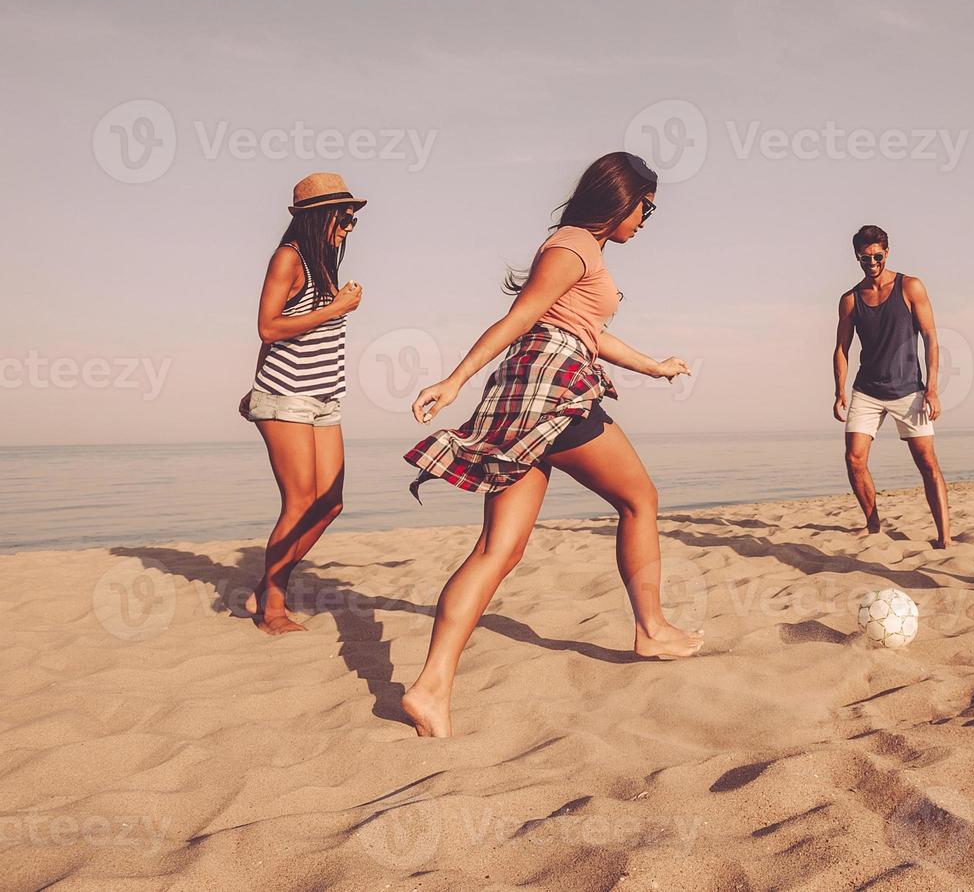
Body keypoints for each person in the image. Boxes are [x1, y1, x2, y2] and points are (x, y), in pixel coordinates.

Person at [399, 152, 703, 738]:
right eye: (646, 207)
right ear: (620, 200)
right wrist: (454, 379)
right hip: (554, 392)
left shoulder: (579, 249)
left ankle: (431, 688)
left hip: (528, 393)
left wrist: (654, 366)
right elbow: (521, 317)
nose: (647, 219)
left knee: (498, 550)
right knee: (640, 498)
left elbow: (590, 331)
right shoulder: (574, 248)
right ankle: (652, 628)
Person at [239, 172, 365, 634]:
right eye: (344, 215)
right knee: (299, 502)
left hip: (325, 396)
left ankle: (267, 585)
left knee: (330, 503)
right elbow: (268, 328)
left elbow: (290, 330)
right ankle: (272, 608)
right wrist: (336, 308)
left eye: (353, 217)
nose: (350, 224)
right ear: (317, 216)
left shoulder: (323, 264)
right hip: (287, 395)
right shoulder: (288, 259)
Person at [833, 225, 950, 549]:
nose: (872, 262)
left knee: (927, 462)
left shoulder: (910, 286)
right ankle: (873, 527)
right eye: (864, 257)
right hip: (866, 391)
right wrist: (839, 391)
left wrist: (933, 388)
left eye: (877, 256)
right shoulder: (850, 300)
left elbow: (931, 338)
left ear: (887, 252)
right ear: (856, 257)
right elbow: (841, 348)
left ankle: (944, 538)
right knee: (854, 459)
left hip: (909, 389)